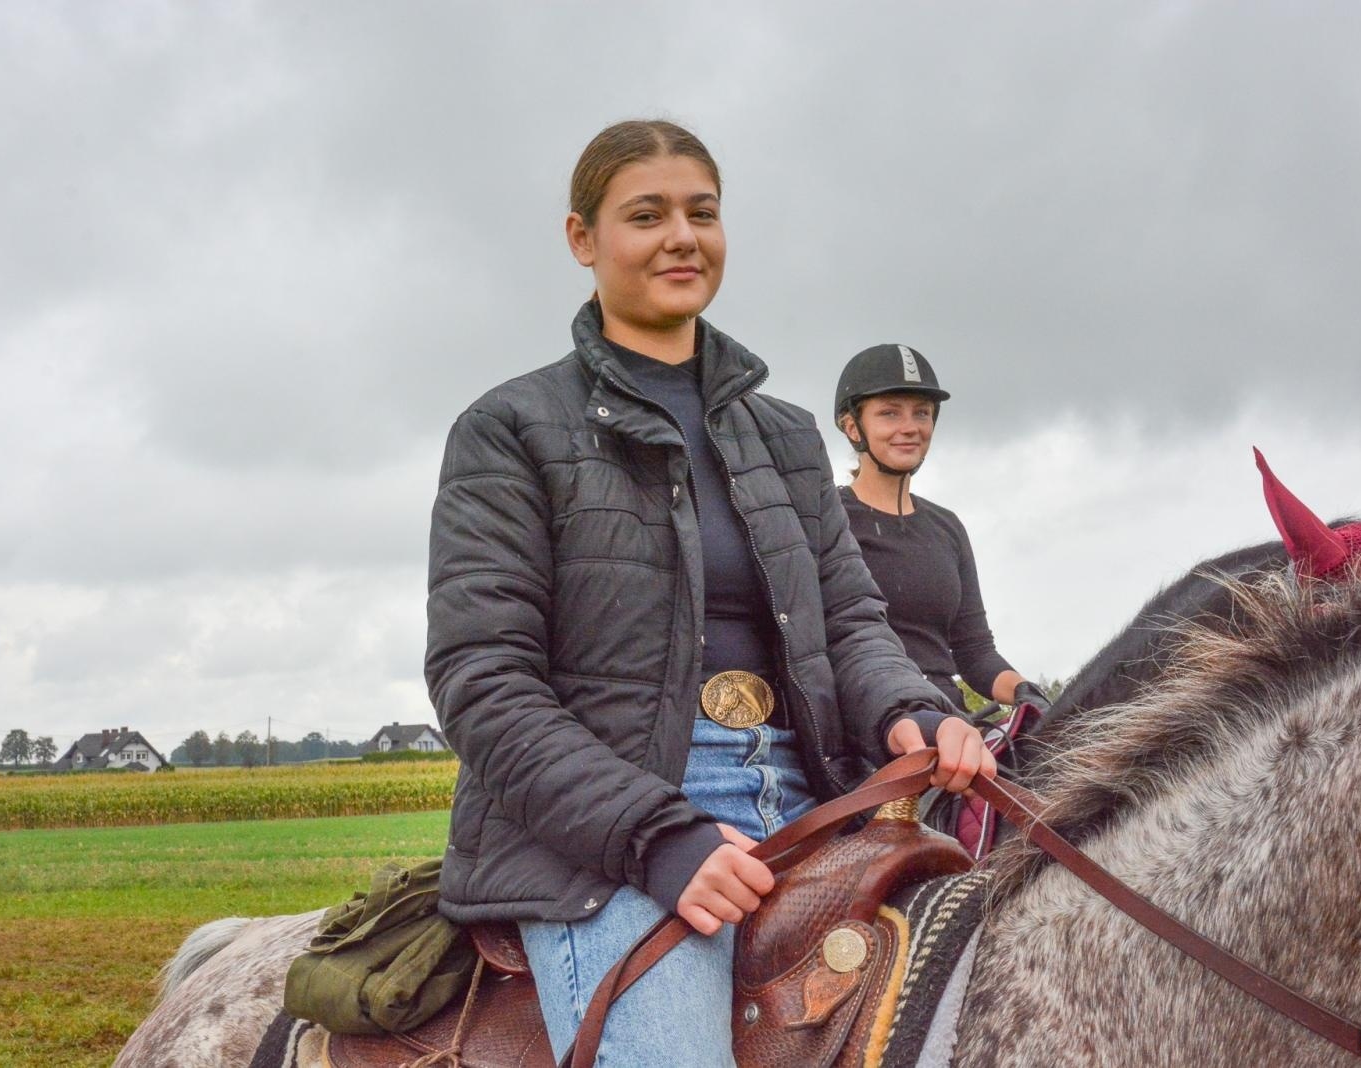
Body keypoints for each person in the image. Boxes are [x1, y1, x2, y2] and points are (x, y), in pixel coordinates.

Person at [424, 121, 994, 1067]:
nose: (681, 237)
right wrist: (656, 835)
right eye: (645, 215)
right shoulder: (509, 429)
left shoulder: (786, 434)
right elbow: (481, 680)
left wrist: (911, 710)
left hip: (816, 798)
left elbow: (851, 620)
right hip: (608, 838)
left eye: (703, 213)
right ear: (583, 240)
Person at [833, 347, 1049, 854]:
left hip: (952, 729)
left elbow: (974, 653)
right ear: (851, 426)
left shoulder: (946, 528)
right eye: (890, 413)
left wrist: (1029, 694)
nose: (909, 427)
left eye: (922, 413)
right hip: (870, 733)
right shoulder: (828, 518)